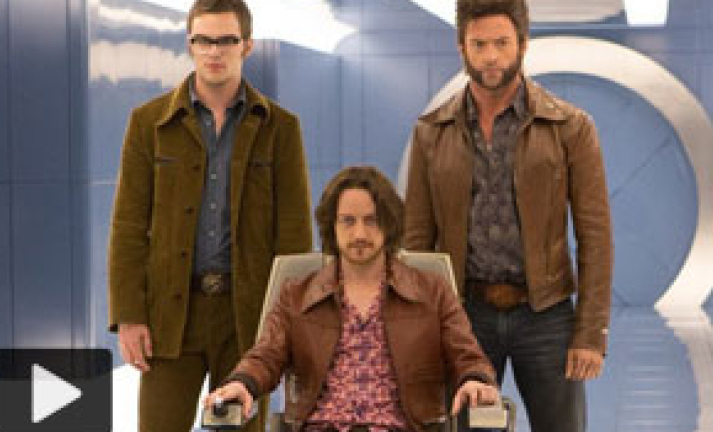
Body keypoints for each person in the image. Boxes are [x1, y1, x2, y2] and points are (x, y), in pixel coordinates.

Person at [403, 0, 613, 431]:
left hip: (547, 314)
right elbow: (417, 241)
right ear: (461, 47)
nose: (491, 56)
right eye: (479, 44)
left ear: (523, 44)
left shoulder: (570, 127)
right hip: (463, 315)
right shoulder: (431, 132)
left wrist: (591, 333)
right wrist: (417, 330)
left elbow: (595, 235)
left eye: (502, 43)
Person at [107, 0, 312, 430]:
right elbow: (128, 226)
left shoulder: (280, 128)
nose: (214, 51)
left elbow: (293, 237)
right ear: (190, 44)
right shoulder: (149, 124)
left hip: (247, 318)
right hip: (169, 316)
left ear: (247, 46)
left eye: (226, 41)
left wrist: (288, 325)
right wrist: (129, 315)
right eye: (203, 40)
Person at [205, 166, 499, 432]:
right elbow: (266, 356)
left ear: (389, 224)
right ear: (332, 227)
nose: (359, 233)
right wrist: (242, 383)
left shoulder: (433, 292)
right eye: (348, 221)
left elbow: (467, 355)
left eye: (371, 221)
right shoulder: (296, 295)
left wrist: (475, 379)